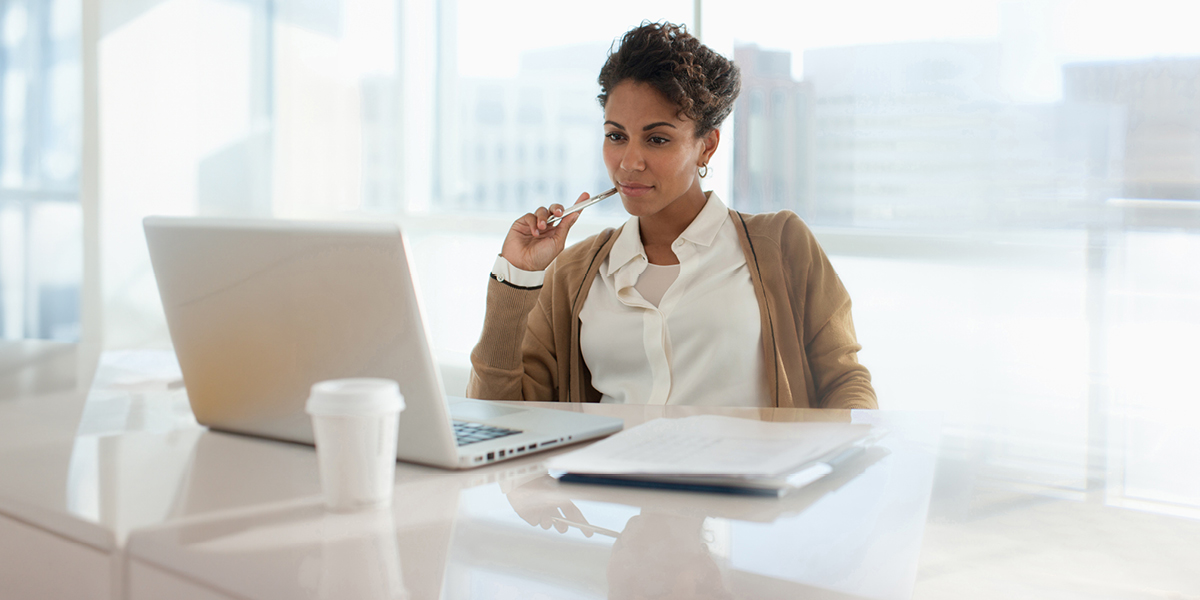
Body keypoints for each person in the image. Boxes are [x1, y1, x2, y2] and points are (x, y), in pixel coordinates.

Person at [467, 21, 876, 409]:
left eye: (657, 139)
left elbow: (845, 383)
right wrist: (518, 275)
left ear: (706, 146)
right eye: (616, 136)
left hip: (741, 481)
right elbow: (501, 418)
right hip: (607, 483)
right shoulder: (574, 274)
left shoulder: (782, 244)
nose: (629, 163)